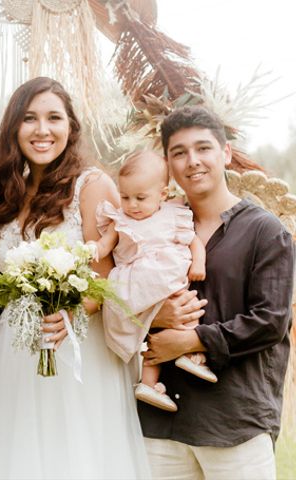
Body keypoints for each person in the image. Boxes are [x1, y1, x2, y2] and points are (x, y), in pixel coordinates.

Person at [0, 77, 151, 479]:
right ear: (14, 128)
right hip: (14, 346)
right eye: (30, 119)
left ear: (71, 127)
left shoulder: (92, 186)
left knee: (73, 457)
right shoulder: (6, 191)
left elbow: (108, 276)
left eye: (54, 118)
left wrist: (71, 313)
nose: (42, 130)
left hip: (76, 346)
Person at [139, 105, 294, 479]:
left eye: (203, 148)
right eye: (179, 152)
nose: (192, 161)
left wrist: (191, 340)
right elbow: (124, 295)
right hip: (161, 424)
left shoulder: (266, 232)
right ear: (168, 163)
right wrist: (151, 318)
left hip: (235, 422)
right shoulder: (156, 225)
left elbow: (270, 321)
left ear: (225, 153)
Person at [89, 149, 214, 413]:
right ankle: (150, 381)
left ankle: (181, 361)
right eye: (125, 197)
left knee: (183, 307)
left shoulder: (173, 215)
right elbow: (105, 244)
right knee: (147, 330)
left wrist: (199, 263)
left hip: (166, 278)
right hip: (136, 284)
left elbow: (194, 242)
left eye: (140, 198)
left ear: (163, 194)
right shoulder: (120, 219)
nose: (131, 205)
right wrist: (93, 250)